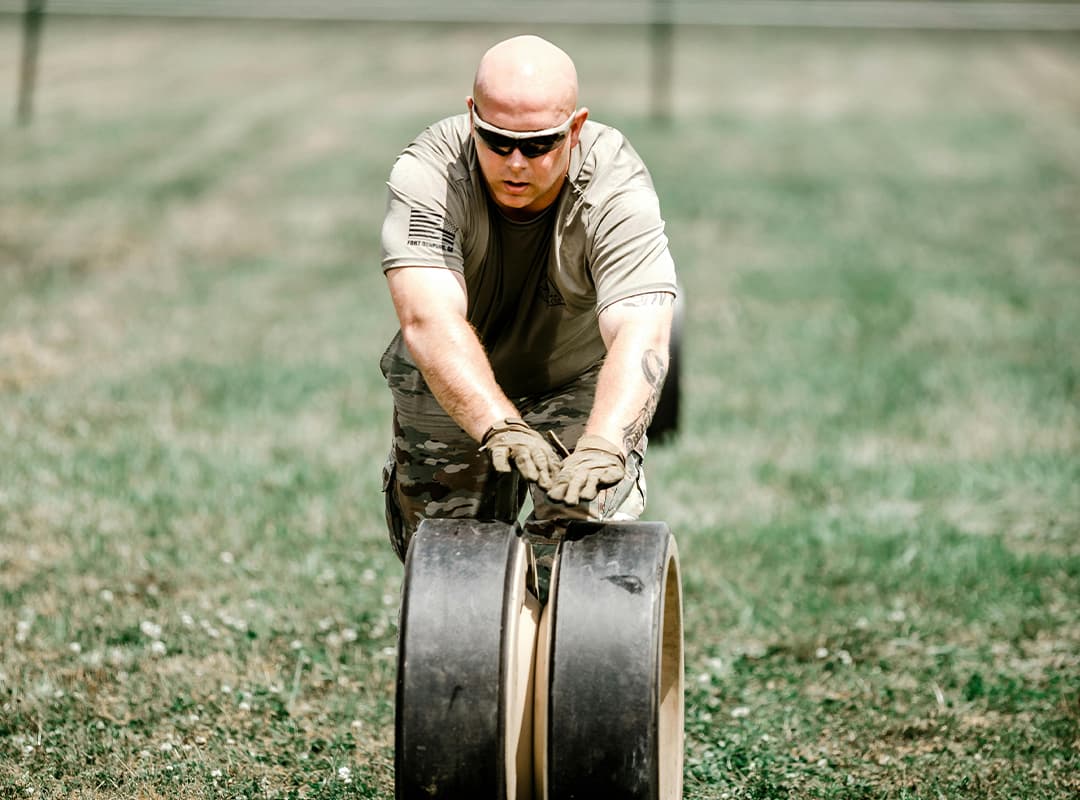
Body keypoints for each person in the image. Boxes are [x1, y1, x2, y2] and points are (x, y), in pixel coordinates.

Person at [379, 34, 677, 561]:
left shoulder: (616, 184)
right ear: (472, 116)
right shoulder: (431, 173)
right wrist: (499, 425)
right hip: (451, 381)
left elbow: (641, 326)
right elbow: (427, 319)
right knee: (449, 558)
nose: (516, 162)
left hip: (575, 376)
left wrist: (606, 444)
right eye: (497, 141)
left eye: (539, 144)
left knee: (578, 537)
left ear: (575, 128)